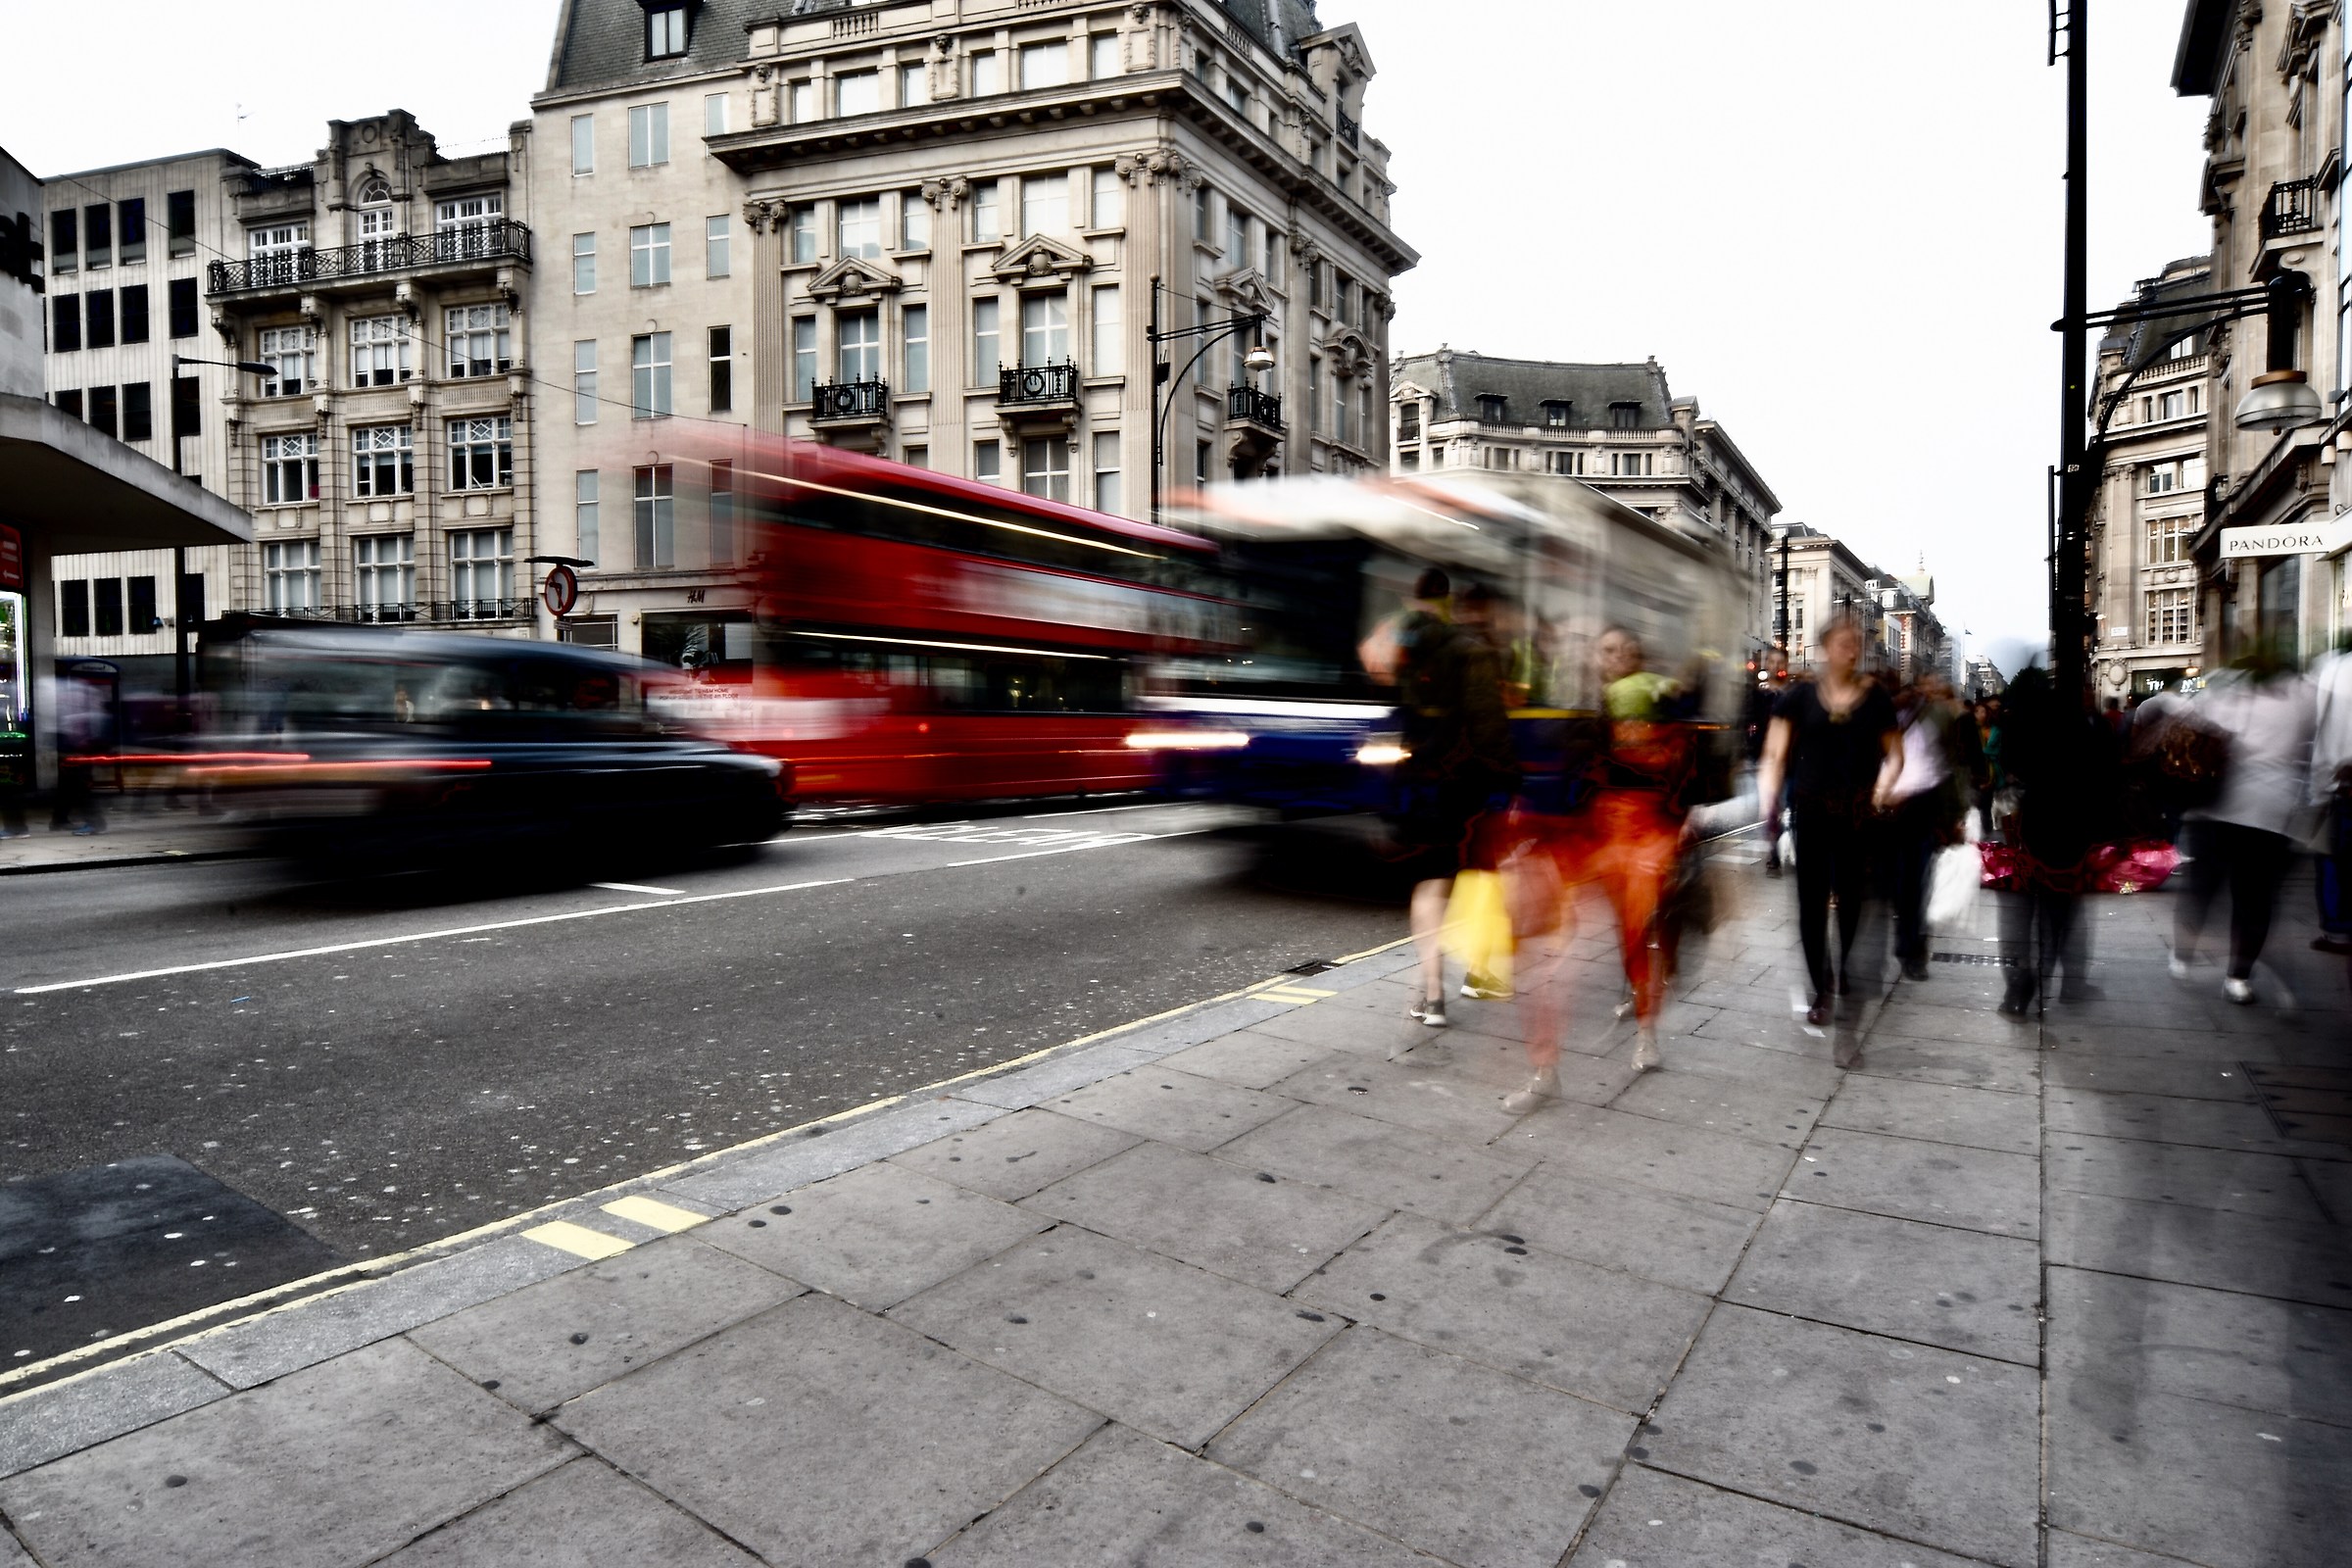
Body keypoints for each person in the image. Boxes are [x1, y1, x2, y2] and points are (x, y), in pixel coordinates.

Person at [1385, 567, 1518, 1028]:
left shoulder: (1410, 651)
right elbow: (1489, 729)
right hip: (1466, 784)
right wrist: (1509, 778)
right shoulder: (1474, 654)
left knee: (1430, 884)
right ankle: (1479, 973)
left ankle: (1432, 995)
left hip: (1419, 781)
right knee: (1480, 879)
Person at [1754, 615, 1900, 1027]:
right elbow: (1775, 753)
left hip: (1857, 813)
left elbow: (1896, 755)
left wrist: (1880, 792)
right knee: (1810, 901)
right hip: (1812, 808)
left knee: (1851, 899)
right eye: (1842, 642)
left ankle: (1844, 966)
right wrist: (1769, 799)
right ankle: (1822, 985)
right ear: (1824, 648)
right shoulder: (1798, 697)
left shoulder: (1876, 699)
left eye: (1855, 644)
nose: (1850, 650)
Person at [2171, 654, 2317, 1004]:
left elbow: (2190, 732)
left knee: (2203, 888)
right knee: (2255, 897)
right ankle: (2238, 977)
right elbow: (2311, 751)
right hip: (2271, 809)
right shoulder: (2302, 692)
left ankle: (2182, 956)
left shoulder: (2223, 685)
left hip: (2217, 807)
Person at [1882, 672, 1965, 981]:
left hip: (1922, 806)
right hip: (1890, 809)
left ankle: (1912, 950)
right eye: (1923, 685)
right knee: (1899, 883)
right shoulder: (1888, 716)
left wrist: (1955, 812)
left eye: (1934, 686)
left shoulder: (1937, 718)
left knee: (1917, 881)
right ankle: (1906, 939)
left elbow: (1949, 764)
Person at [2313, 638, 2352, 956]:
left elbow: (2318, 725)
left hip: (2340, 787)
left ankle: (2338, 931)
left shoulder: (2335, 668)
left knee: (2333, 860)